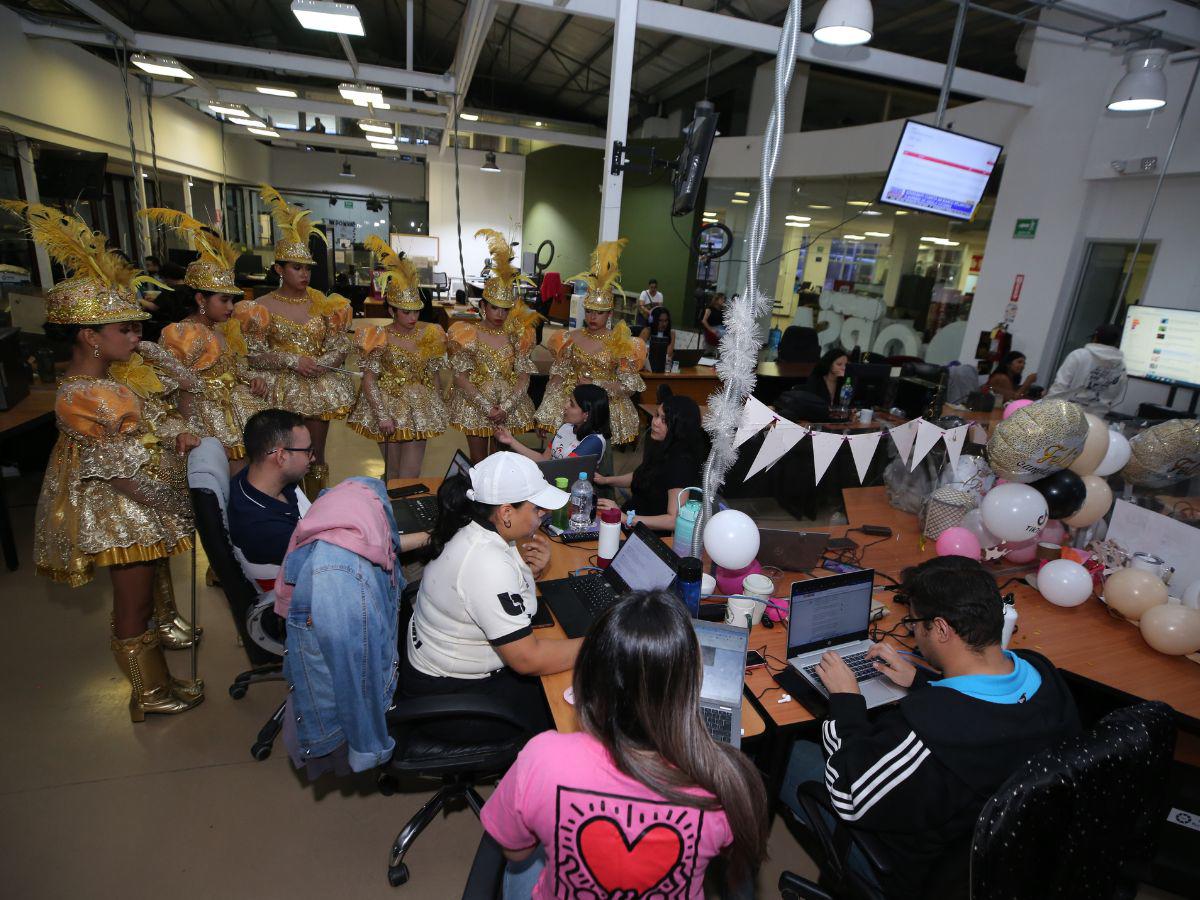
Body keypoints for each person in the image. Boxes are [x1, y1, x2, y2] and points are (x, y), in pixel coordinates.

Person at [3, 200, 202, 720]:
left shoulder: (110, 381)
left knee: (144, 597)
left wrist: (173, 427)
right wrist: (177, 504)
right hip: (122, 512)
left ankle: (159, 682)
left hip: (139, 505)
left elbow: (165, 409)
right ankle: (148, 694)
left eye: (138, 328)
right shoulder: (83, 396)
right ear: (90, 336)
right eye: (126, 330)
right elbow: (121, 474)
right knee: (133, 605)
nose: (137, 338)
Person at [779, 556, 1081, 897]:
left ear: (940, 629)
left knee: (787, 753)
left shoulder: (931, 731)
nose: (913, 633)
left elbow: (850, 795)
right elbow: (984, 710)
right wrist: (921, 681)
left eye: (914, 622)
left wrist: (846, 701)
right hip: (1010, 859)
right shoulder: (1041, 674)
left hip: (918, 874)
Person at [481, 590, 769, 900]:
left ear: (589, 676)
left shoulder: (542, 758)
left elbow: (516, 851)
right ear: (691, 685)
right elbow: (730, 857)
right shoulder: (726, 781)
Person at [400, 452, 579, 740]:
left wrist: (530, 572)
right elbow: (527, 659)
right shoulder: (487, 563)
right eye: (537, 508)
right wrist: (600, 644)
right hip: (454, 698)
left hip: (434, 670)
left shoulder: (470, 525)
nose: (543, 513)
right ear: (506, 513)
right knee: (567, 716)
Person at [233, 184, 355, 497]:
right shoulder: (261, 307)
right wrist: (291, 360)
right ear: (279, 268)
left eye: (307, 269)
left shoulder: (324, 303)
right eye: (296, 268)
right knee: (281, 460)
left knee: (314, 458)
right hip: (279, 390)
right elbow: (254, 355)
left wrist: (325, 362)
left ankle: (315, 509)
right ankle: (283, 508)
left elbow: (341, 343)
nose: (304, 275)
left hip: (318, 387)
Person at [142, 209, 269, 474]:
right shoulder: (182, 334)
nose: (231, 307)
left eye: (232, 300)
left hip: (236, 415)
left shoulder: (223, 329)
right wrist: (191, 430)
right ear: (201, 299)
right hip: (207, 426)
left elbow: (232, 368)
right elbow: (170, 390)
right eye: (224, 300)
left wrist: (251, 378)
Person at [347, 236, 449, 479]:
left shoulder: (429, 335)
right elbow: (369, 379)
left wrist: (438, 405)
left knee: (410, 475)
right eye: (406, 312)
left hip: (419, 409)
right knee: (392, 474)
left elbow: (434, 374)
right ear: (392, 310)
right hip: (388, 409)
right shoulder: (378, 336)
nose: (413, 318)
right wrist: (382, 415)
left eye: (416, 312)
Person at [535, 239, 646, 446]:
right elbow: (557, 378)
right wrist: (544, 414)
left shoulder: (620, 343)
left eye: (599, 313)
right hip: (571, 409)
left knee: (597, 459)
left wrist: (596, 384)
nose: (593, 317)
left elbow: (629, 386)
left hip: (604, 412)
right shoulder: (569, 339)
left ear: (609, 314)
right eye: (589, 311)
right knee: (565, 456)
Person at [447, 229, 540, 464]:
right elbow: (460, 377)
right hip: (474, 404)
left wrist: (506, 407)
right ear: (483, 306)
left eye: (505, 309)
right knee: (479, 461)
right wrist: (486, 406)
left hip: (509, 404)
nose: (500, 314)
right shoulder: (467, 334)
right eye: (494, 308)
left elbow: (524, 376)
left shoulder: (519, 336)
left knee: (501, 461)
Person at [595, 394, 706, 531]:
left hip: (646, 533)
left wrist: (625, 518)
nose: (655, 422)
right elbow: (642, 476)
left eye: (664, 420)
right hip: (632, 520)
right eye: (657, 415)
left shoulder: (680, 464)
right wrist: (606, 480)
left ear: (680, 427)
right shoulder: (662, 446)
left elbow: (673, 520)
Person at [228, 409, 313, 568]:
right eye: (307, 451)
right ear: (281, 456)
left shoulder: (251, 478)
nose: (313, 458)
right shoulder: (265, 531)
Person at [496, 383, 610, 463]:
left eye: (572, 404)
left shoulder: (594, 441)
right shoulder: (566, 427)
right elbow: (544, 459)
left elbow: (562, 470)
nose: (565, 406)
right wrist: (511, 441)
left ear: (586, 415)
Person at [1045, 323, 1127, 413]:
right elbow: (1114, 395)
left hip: (1067, 413)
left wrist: (1048, 408)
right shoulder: (1121, 366)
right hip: (1096, 417)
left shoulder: (1079, 355)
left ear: (1095, 338)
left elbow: (1060, 385)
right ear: (1116, 343)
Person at [640, 305, 675, 373]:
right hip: (646, 369)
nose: (664, 324)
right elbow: (638, 352)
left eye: (666, 321)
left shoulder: (671, 333)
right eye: (660, 320)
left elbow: (668, 354)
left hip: (662, 369)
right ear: (653, 320)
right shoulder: (647, 331)